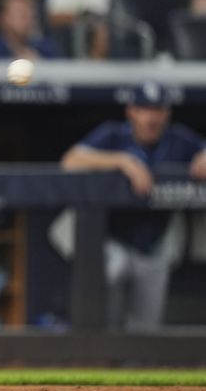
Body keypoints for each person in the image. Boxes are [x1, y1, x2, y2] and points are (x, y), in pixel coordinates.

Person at [60, 81, 206, 330]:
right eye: (145, 109)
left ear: (166, 113)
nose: (151, 117)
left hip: (154, 246)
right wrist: (121, 161)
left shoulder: (178, 139)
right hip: (113, 239)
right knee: (113, 273)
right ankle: (99, 351)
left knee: (145, 330)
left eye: (157, 110)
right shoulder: (113, 135)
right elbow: (70, 161)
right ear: (131, 111)